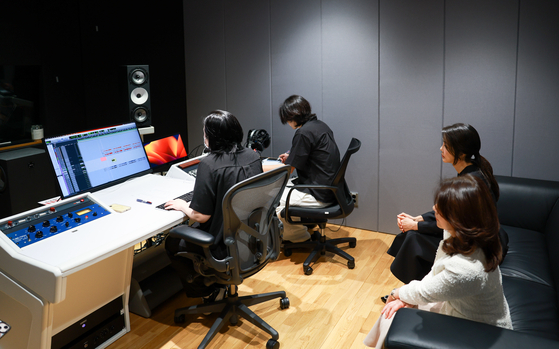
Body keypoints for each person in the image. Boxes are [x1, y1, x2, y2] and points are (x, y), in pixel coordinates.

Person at [364, 175, 512, 348]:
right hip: (459, 308)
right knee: (397, 307)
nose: (434, 208)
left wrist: (397, 293)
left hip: (478, 331)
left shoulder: (467, 269)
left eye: (440, 207)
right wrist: (406, 296)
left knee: (391, 314)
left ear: (458, 217)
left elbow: (426, 291)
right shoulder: (463, 234)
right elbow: (434, 274)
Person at [386, 123, 508, 287]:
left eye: (446, 146)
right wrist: (419, 218)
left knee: (413, 240)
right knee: (408, 237)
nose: (440, 149)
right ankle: (419, 290)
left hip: (480, 246)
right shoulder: (470, 172)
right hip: (471, 236)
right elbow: (449, 212)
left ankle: (422, 292)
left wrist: (416, 226)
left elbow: (454, 224)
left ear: (461, 152)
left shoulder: (470, 183)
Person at [164, 110, 263, 302]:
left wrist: (183, 205)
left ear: (212, 137)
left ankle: (208, 291)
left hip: (221, 245)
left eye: (205, 132)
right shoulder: (253, 157)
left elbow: (201, 216)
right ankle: (219, 283)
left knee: (172, 241)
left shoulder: (209, 164)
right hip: (251, 239)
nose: (204, 136)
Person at [275, 95, 342, 242]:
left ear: (293, 116)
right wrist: (290, 154)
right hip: (332, 189)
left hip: (319, 193)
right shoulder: (320, 125)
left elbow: (289, 170)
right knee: (287, 186)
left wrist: (270, 171)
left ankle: (299, 238)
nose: (287, 123)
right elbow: (311, 153)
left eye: (287, 119)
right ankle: (307, 226)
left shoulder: (303, 132)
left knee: (275, 197)